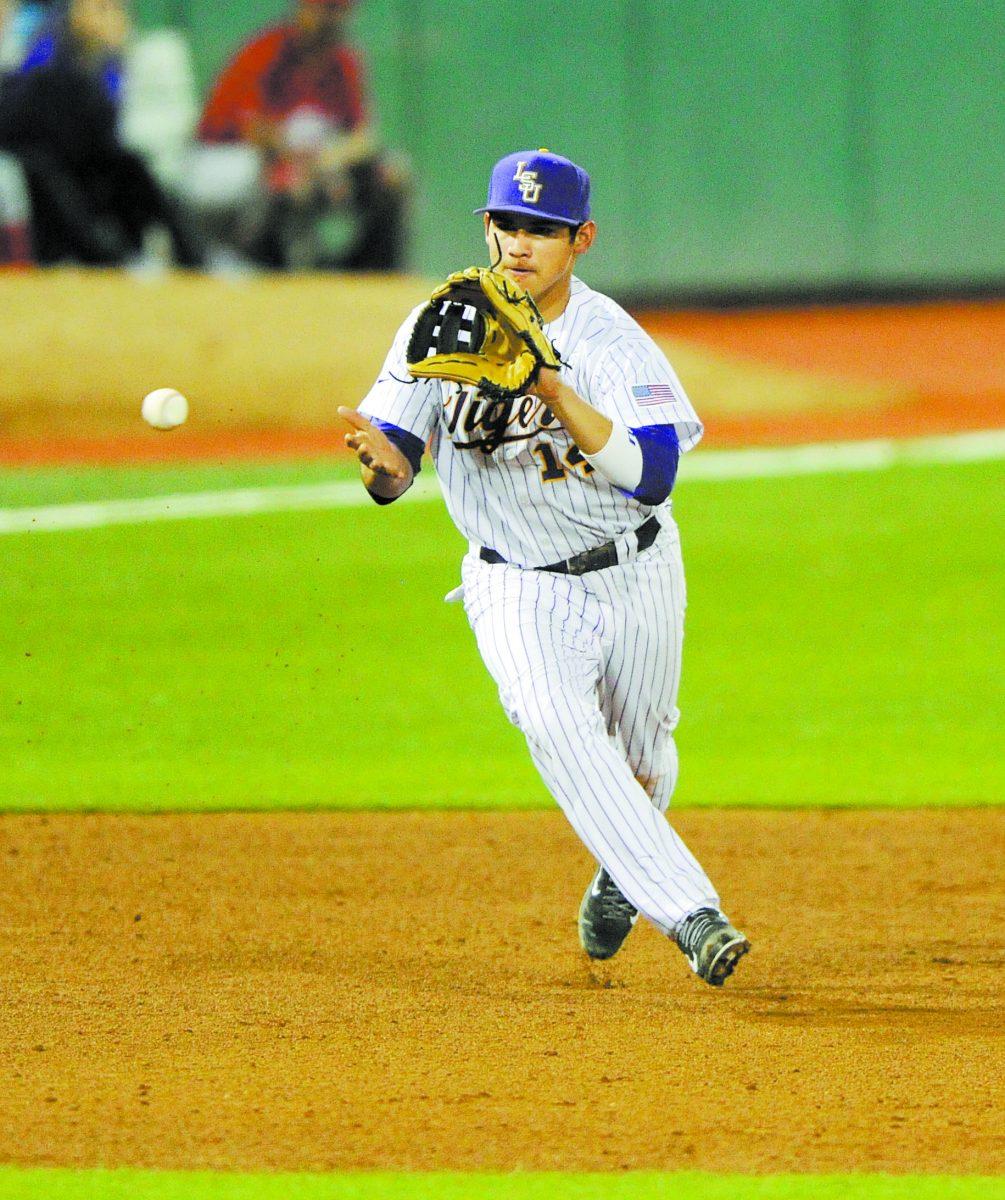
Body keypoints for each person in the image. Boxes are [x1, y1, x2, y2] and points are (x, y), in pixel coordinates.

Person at [338, 150, 751, 987]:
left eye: (542, 230)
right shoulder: (443, 322)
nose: (519, 244)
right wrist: (382, 462)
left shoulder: (609, 340)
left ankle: (619, 870)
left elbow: (655, 474)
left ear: (581, 239)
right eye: (506, 225)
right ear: (486, 227)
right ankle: (692, 915)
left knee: (643, 763)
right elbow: (394, 472)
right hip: (515, 580)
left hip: (633, 571)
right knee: (554, 720)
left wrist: (554, 389)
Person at [194, 0, 407, 272]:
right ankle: (271, 268)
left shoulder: (341, 60)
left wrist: (329, 161)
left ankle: (371, 275)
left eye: (340, 11)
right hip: (237, 162)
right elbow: (249, 128)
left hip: (315, 165)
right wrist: (299, 161)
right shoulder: (268, 52)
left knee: (393, 175)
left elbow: (362, 136)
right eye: (326, 9)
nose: (333, 20)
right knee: (292, 185)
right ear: (304, 9)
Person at [0, 0, 203, 266]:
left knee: (134, 167)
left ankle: (194, 259)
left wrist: (112, 53)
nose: (107, 16)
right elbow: (26, 106)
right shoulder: (45, 43)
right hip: (40, 148)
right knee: (48, 172)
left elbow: (112, 123)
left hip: (90, 150)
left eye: (114, 8)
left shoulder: (118, 58)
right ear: (75, 12)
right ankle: (101, 255)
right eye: (99, 7)